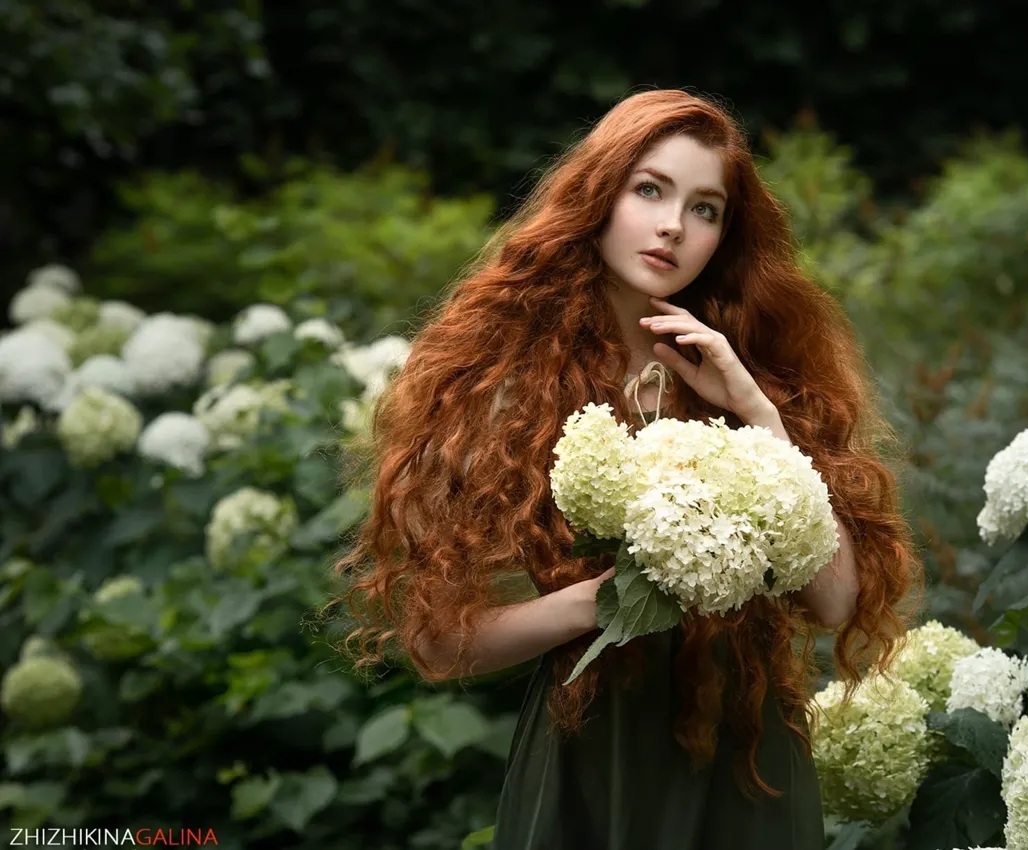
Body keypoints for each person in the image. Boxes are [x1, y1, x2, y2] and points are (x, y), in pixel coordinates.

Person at [331, 89, 923, 850]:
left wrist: (759, 414)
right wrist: (603, 604)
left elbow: (837, 600)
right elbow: (442, 645)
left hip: (747, 758)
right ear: (601, 196)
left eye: (706, 209)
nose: (675, 225)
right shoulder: (512, 392)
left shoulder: (750, 375)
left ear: (725, 236)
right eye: (651, 190)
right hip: (593, 760)